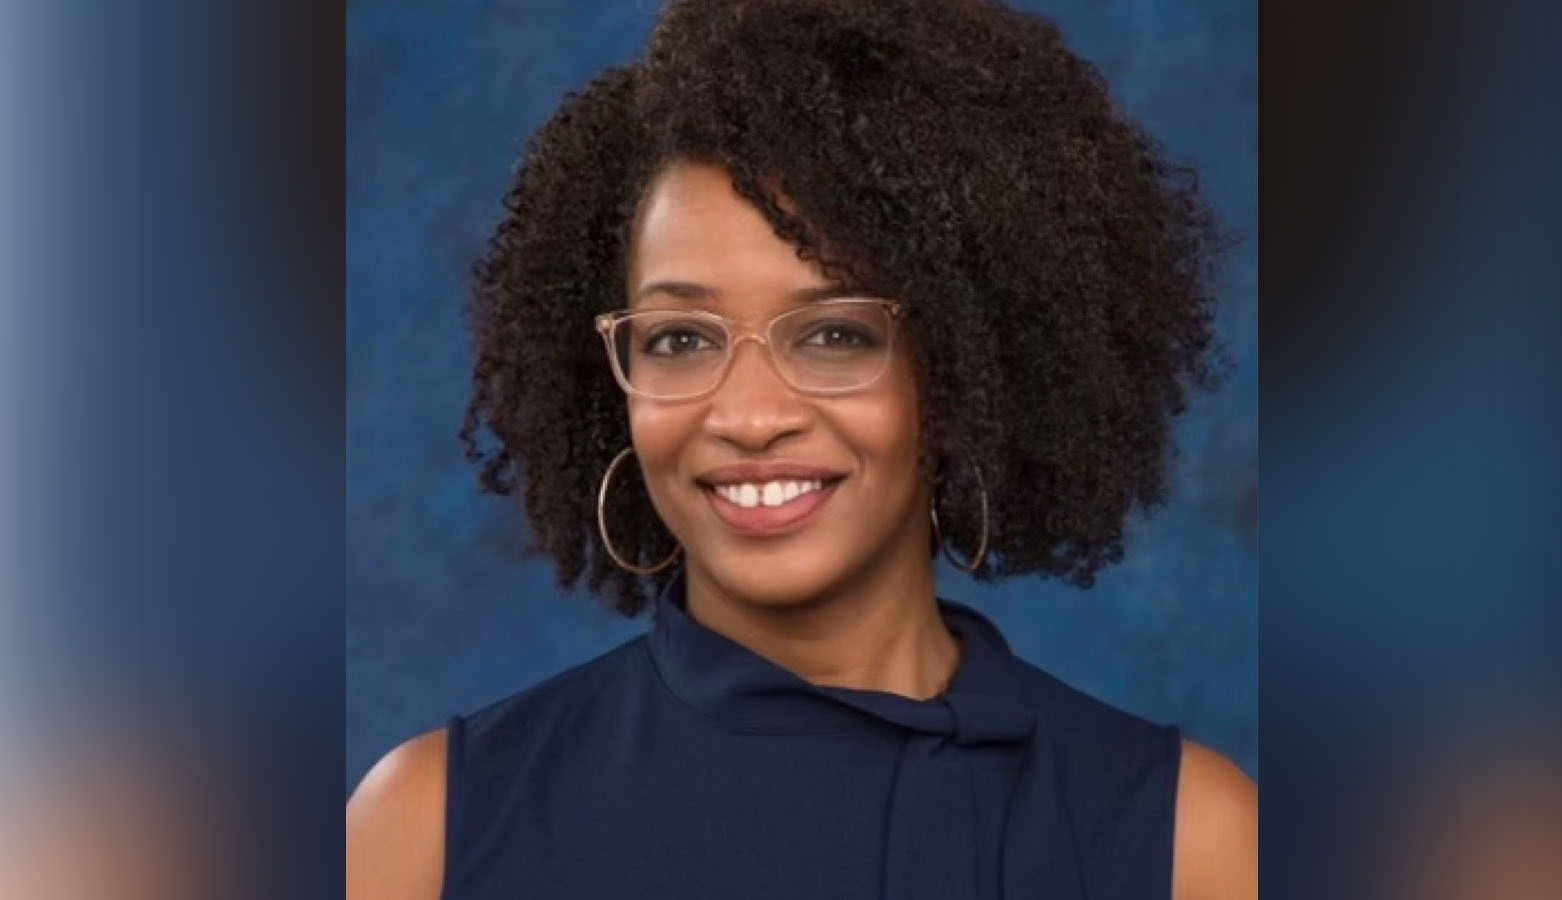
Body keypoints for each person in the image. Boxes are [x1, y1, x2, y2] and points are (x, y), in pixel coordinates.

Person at [347, 0, 1256, 897]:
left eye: (833, 335)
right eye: (680, 339)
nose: (747, 416)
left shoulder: (1190, 840)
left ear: (971, 363)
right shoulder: (427, 827)